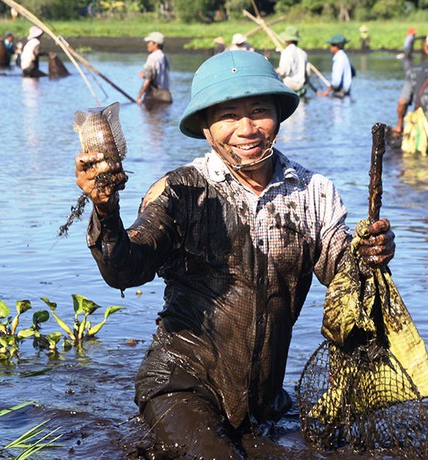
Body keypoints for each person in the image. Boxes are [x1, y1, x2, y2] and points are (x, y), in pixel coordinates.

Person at [74, 50, 395, 458]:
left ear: (278, 115)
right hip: (180, 383)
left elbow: (342, 272)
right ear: (206, 128)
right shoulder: (181, 191)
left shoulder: (314, 193)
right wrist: (105, 209)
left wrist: (369, 252)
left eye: (259, 110)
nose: (246, 129)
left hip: (265, 401)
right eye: (228, 116)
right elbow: (125, 270)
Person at [136, 31, 172, 105]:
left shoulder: (152, 57)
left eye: (149, 42)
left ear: (156, 44)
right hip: (166, 96)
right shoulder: (164, 57)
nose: (148, 44)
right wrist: (144, 74)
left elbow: (148, 79)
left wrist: (139, 96)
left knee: (149, 116)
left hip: (154, 96)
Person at [274, 26, 310, 96]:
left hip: (289, 87)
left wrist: (275, 70)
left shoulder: (286, 52)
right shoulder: (303, 53)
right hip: (301, 88)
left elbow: (284, 71)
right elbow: (307, 73)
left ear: (288, 40)